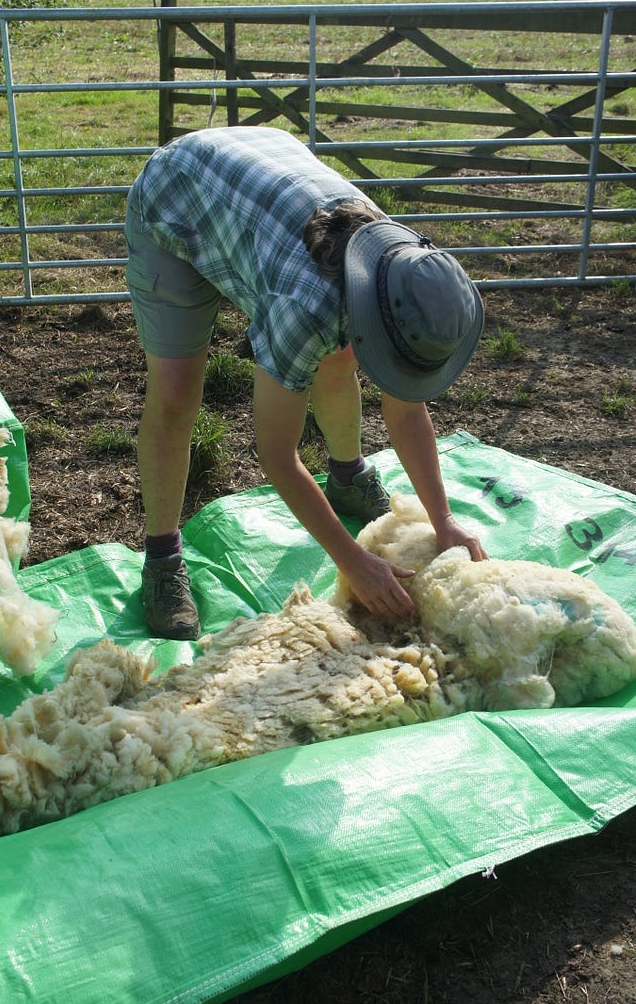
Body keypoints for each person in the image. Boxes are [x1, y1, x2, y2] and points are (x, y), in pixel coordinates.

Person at [125, 126, 487, 641]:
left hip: (259, 182)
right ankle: (161, 560)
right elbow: (276, 454)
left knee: (338, 357)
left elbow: (406, 410)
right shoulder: (305, 306)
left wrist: (443, 518)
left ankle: (347, 475)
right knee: (178, 391)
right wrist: (352, 561)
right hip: (179, 197)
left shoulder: (407, 276)